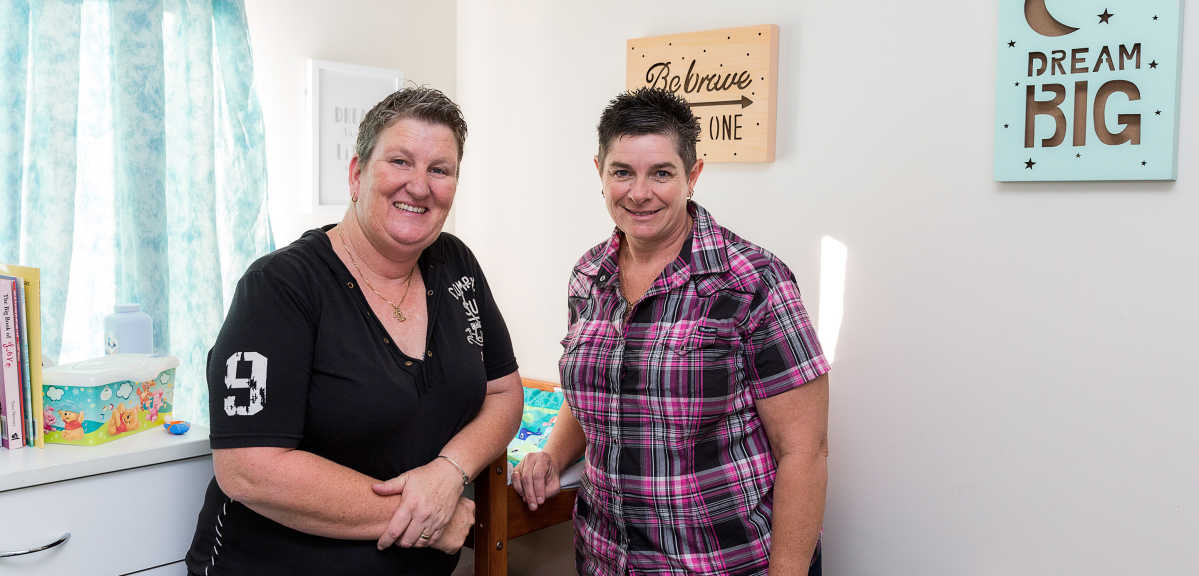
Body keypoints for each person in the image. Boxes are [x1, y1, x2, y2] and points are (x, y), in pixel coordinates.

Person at [186, 87, 523, 575]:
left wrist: (449, 471)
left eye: (440, 170)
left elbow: (504, 392)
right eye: (401, 161)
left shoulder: (456, 266)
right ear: (357, 174)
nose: (420, 186)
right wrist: (427, 516)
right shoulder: (279, 288)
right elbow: (248, 467)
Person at [512, 88, 830, 575]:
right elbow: (601, 391)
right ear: (599, 170)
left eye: (661, 172)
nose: (639, 193)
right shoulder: (588, 274)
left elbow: (805, 451)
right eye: (622, 172)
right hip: (606, 560)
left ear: (693, 175)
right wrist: (551, 456)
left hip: (721, 562)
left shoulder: (753, 282)